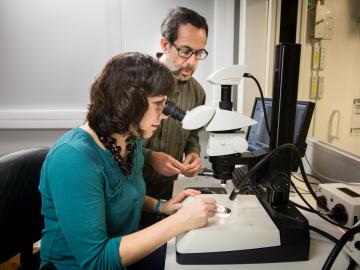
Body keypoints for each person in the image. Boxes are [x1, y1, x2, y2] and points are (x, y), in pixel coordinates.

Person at [38, 52, 217, 270]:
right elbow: (96, 261)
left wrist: (163, 206)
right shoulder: (73, 159)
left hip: (125, 254)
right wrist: (180, 221)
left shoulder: (131, 139)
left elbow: (120, 195)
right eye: (158, 104)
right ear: (129, 103)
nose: (164, 116)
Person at [143, 6, 209, 205]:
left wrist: (193, 153)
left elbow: (192, 134)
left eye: (198, 53)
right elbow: (110, 142)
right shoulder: (136, 82)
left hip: (167, 193)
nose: (191, 62)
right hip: (128, 192)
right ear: (165, 44)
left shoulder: (198, 92)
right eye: (185, 51)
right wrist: (150, 157)